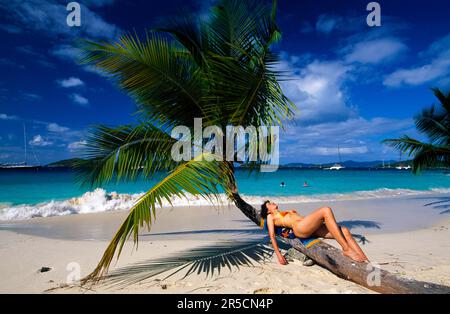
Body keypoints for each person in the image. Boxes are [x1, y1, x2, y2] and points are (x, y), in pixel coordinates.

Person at [260, 200, 369, 265]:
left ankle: (365, 260)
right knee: (326, 210)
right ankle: (346, 249)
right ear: (268, 210)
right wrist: (279, 255)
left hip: (309, 227)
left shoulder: (283, 212)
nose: (272, 202)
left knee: (344, 231)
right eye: (269, 203)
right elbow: (272, 236)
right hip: (300, 228)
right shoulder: (270, 216)